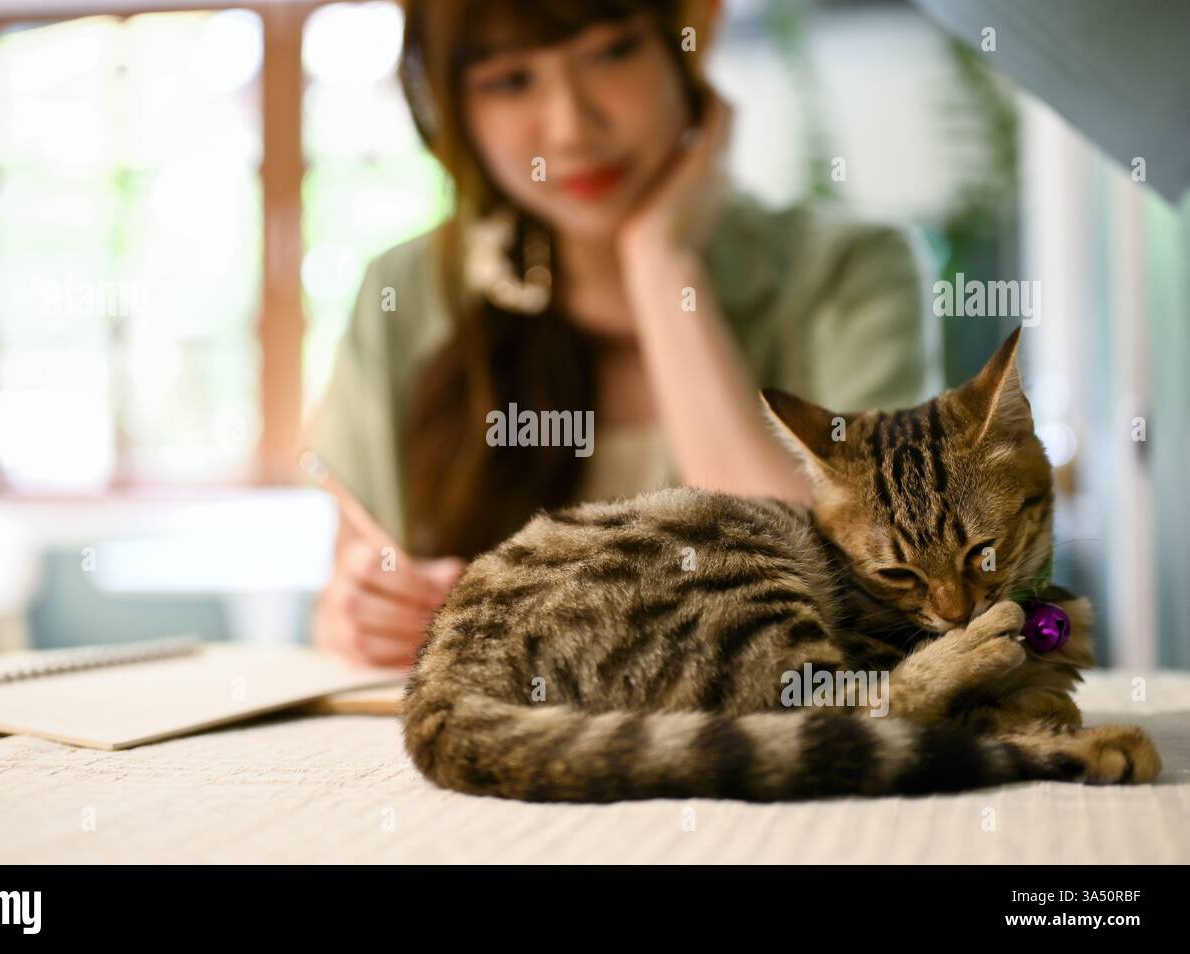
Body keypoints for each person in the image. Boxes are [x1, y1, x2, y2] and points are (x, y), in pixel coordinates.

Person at [303, 0, 940, 668]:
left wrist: (663, 266)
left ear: (686, 46)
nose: (572, 128)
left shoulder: (851, 273)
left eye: (612, 52)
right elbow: (353, 592)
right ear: (451, 110)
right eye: (510, 81)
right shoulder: (409, 294)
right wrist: (360, 615)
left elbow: (837, 617)